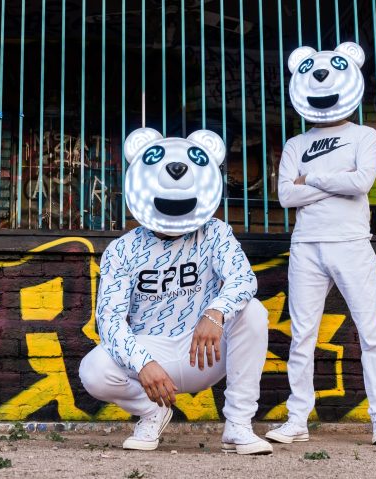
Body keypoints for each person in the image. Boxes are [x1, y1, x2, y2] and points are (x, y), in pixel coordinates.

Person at [79, 127, 273, 455]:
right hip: (152, 352)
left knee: (253, 311)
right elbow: (109, 321)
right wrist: (143, 363)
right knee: (93, 370)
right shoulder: (122, 249)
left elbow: (243, 278)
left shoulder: (216, 232)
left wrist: (215, 312)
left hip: (204, 352)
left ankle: (238, 425)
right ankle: (152, 412)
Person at [266, 42, 376, 446]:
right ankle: (297, 420)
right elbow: (285, 195)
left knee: (371, 333)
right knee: (302, 336)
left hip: (352, 243)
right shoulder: (296, 144)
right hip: (307, 245)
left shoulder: (365, 135)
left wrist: (312, 179)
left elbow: (362, 183)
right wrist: (336, 181)